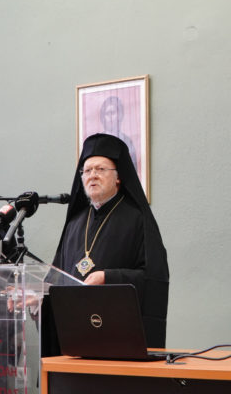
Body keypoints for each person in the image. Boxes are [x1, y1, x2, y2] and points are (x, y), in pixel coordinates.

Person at [52, 133, 169, 347]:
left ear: (118, 177)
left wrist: (108, 277)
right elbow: (57, 276)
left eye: (100, 169)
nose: (92, 175)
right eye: (87, 170)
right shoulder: (74, 223)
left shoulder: (137, 219)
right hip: (76, 333)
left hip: (120, 333)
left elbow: (154, 277)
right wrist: (37, 296)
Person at [99, 96, 138, 170]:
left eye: (113, 113)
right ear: (103, 117)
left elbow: (133, 170)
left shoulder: (127, 141)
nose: (110, 117)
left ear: (120, 115)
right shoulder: (97, 142)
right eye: (107, 113)